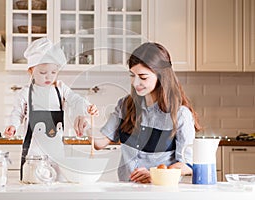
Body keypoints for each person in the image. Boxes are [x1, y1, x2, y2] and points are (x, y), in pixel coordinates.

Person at [76, 42, 201, 183]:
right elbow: (100, 143)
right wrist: (85, 125)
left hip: (160, 192)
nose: (135, 83)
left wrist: (156, 174)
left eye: (143, 77)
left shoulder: (180, 114)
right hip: (127, 190)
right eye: (132, 75)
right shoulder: (125, 105)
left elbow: (188, 164)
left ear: (161, 76)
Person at [4, 37, 98, 181]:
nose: (49, 77)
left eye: (53, 72)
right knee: (34, 183)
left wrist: (87, 107)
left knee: (58, 186)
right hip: (34, 152)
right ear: (31, 71)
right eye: (43, 73)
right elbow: (17, 113)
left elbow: (75, 99)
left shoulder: (60, 88)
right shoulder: (26, 92)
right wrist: (12, 125)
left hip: (56, 152)